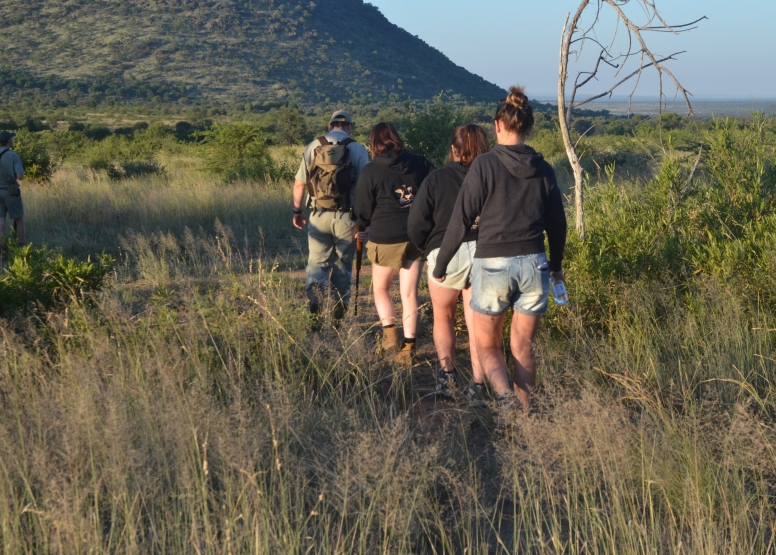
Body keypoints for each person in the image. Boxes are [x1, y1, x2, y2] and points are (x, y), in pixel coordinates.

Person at [433, 86, 567, 410]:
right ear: (530, 128)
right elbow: (558, 225)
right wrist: (557, 266)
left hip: (492, 265)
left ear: (497, 126)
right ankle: (522, 424)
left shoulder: (484, 166)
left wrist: (441, 266)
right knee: (523, 348)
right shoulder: (544, 169)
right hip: (535, 264)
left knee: (487, 345)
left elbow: (460, 220)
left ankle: (505, 398)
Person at [408, 125, 489, 403]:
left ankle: (447, 378)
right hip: (485, 252)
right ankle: (479, 384)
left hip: (446, 254)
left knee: (443, 316)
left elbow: (417, 223)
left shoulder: (436, 178)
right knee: (476, 321)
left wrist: (426, 247)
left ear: (453, 150)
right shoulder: (492, 175)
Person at [353, 123, 433, 362]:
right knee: (409, 293)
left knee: (381, 288)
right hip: (416, 236)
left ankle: (390, 339)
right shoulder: (420, 163)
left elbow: (362, 210)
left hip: (385, 237)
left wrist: (362, 227)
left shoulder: (370, 171)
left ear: (374, 143)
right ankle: (408, 348)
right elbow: (433, 192)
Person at [292, 110, 369, 323]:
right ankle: (339, 307)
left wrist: (297, 211)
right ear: (349, 127)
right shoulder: (357, 148)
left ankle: (315, 300)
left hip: (318, 215)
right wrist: (365, 221)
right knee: (343, 264)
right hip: (348, 217)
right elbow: (365, 187)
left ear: (330, 125)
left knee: (317, 261)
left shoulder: (313, 146)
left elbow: (299, 183)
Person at [0, 130, 25, 249]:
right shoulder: (14, 155)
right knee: (19, 219)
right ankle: (20, 246)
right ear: (9, 141)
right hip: (11, 192)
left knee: (1, 220)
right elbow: (20, 176)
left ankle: (2, 247)